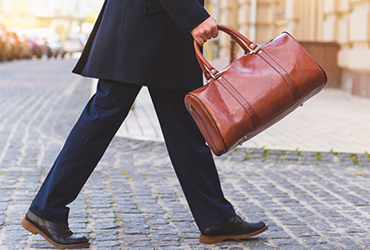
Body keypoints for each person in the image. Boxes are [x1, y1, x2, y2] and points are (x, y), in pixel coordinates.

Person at [21, 0, 268, 248]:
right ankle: (47, 209)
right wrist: (193, 15)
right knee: (103, 116)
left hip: (163, 27)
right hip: (144, 23)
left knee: (185, 128)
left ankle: (216, 218)